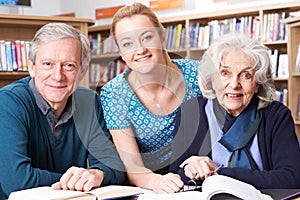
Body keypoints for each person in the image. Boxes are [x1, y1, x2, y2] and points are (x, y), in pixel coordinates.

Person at [0, 22, 126, 199]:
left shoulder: (89, 102)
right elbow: (16, 181)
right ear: (32, 67)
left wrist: (97, 174)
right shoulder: (8, 102)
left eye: (69, 66)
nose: (58, 76)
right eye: (48, 64)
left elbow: (115, 167)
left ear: (82, 71)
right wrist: (77, 182)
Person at [170, 33, 300, 189]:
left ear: (258, 82)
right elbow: (176, 173)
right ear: (212, 78)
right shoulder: (190, 112)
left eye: (246, 75)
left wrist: (220, 173)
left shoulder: (277, 116)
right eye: (225, 73)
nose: (234, 84)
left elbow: (292, 177)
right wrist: (191, 170)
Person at [100, 3, 201, 193]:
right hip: (150, 185)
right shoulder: (114, 94)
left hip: (201, 175)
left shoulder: (197, 74)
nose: (140, 50)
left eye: (146, 37)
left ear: (162, 39)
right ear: (121, 52)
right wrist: (155, 182)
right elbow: (132, 166)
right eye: (127, 43)